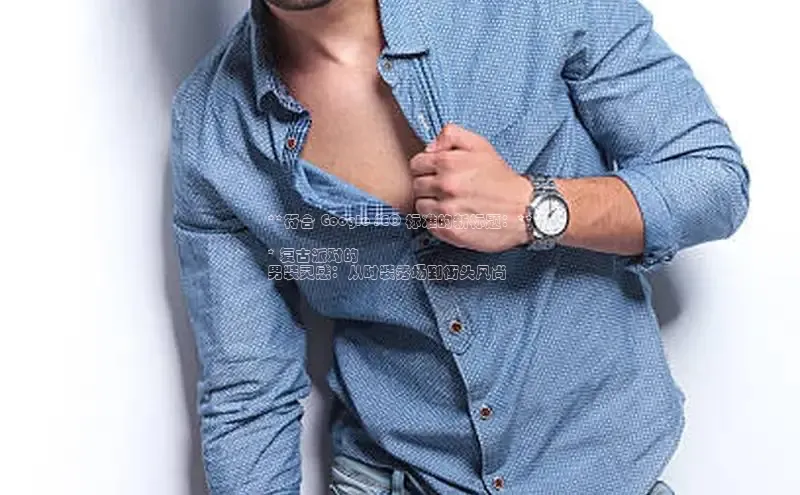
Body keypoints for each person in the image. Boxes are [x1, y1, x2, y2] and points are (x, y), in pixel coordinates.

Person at [169, 0, 750, 493]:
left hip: (601, 470)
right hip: (397, 477)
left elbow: (712, 181)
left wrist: (533, 208)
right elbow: (247, 395)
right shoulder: (210, 133)